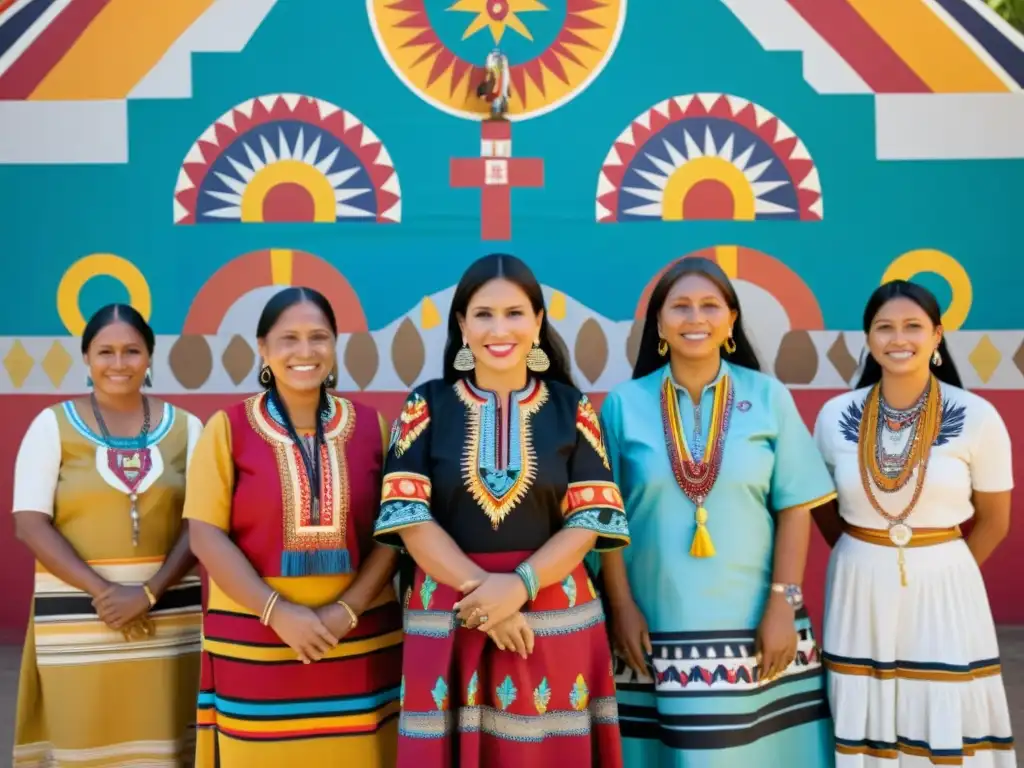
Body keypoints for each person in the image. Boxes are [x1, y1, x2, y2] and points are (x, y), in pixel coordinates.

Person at [373, 253, 629, 767]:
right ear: (461, 326)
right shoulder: (426, 405)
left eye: (514, 313)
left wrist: (519, 586)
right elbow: (408, 517)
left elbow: (590, 519)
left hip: (552, 619)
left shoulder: (571, 406)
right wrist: (489, 602)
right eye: (483, 314)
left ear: (538, 322)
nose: (499, 328)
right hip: (450, 616)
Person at [596, 257, 837, 767]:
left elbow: (794, 506)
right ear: (658, 324)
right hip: (652, 624)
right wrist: (621, 609)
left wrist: (784, 606)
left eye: (709, 305)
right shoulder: (622, 405)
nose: (694, 317)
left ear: (731, 321)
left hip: (755, 621)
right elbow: (604, 520)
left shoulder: (769, 398)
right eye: (679, 306)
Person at [183, 287, 402, 767]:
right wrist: (277, 613)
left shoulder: (374, 428)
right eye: (289, 339)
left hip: (357, 642)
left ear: (336, 343)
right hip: (257, 645)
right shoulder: (227, 428)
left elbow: (395, 533)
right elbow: (205, 535)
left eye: (319, 337)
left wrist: (345, 612)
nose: (305, 352)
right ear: (262, 348)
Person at [812, 280, 1016, 766]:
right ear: (867, 339)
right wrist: (868, 553)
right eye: (884, 327)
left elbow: (994, 520)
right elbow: (821, 506)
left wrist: (947, 569)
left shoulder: (977, 417)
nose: (897, 338)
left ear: (937, 335)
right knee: (862, 703)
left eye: (912, 327)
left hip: (946, 583)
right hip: (858, 579)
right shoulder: (835, 414)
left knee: (939, 700)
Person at [11, 303, 203, 767]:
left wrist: (149, 594)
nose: (119, 363)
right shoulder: (51, 427)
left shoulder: (186, 428)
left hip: (167, 619)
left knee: (164, 744)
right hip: (80, 618)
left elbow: (200, 523)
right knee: (83, 738)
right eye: (106, 351)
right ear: (86, 358)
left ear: (151, 357)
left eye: (132, 351)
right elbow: (29, 522)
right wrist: (107, 591)